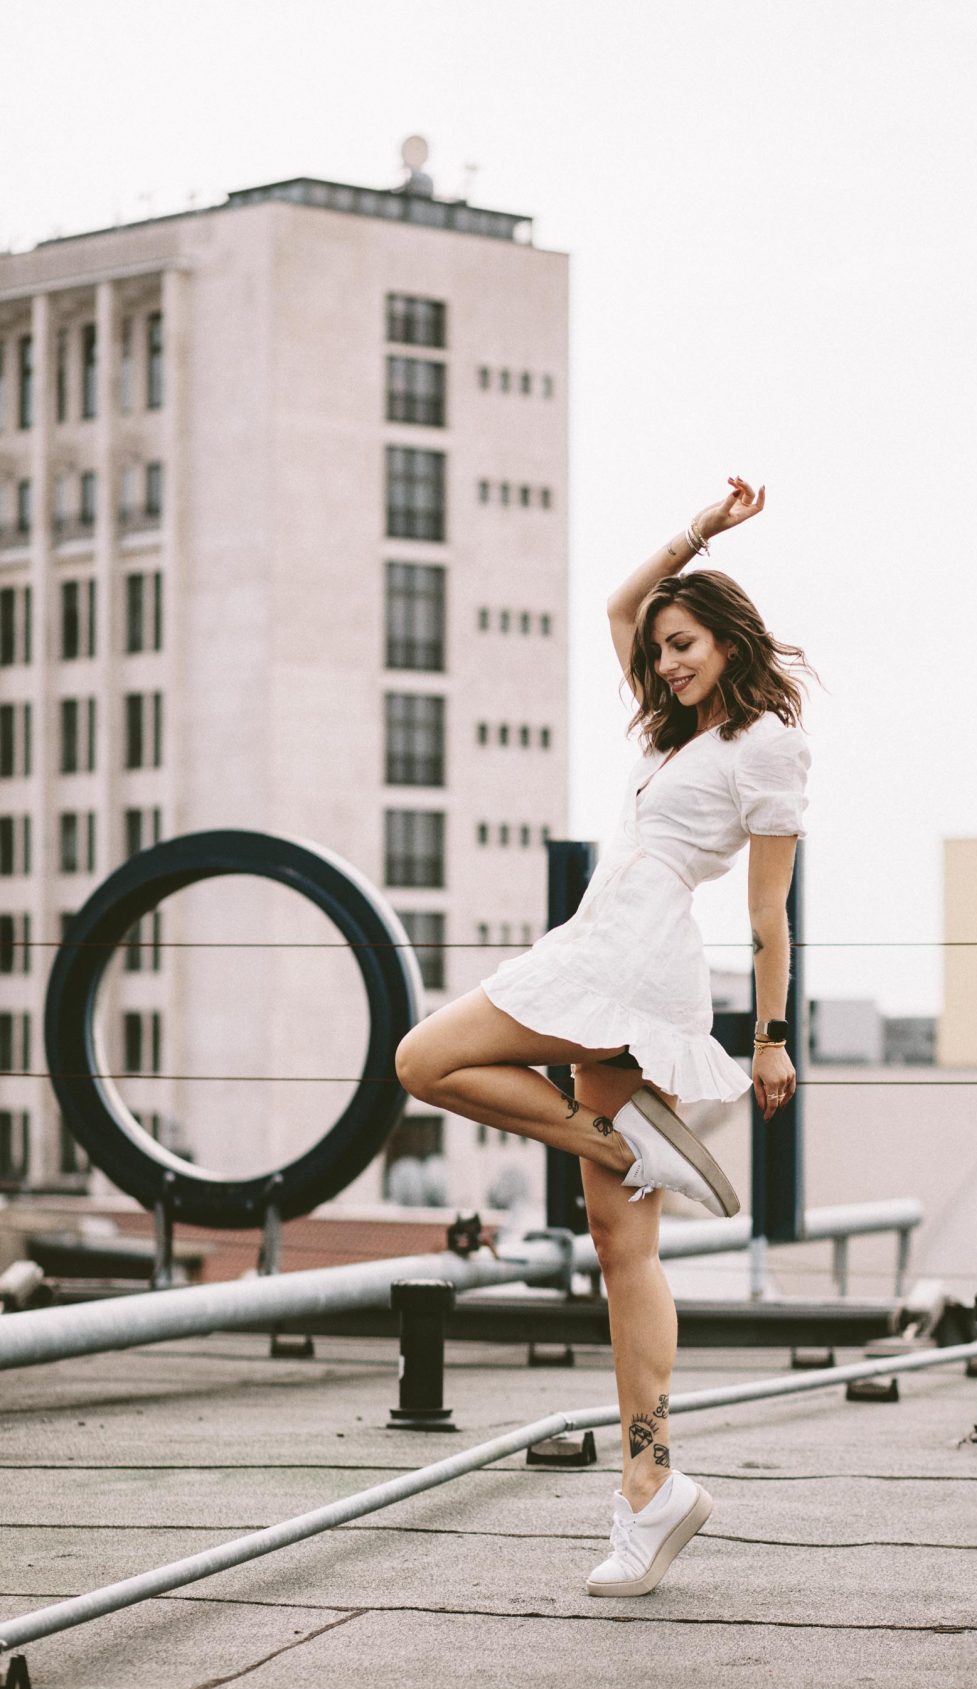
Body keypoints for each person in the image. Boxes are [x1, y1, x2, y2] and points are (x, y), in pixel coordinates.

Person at [394, 474, 813, 1596]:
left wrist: (771, 1039)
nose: (666, 659)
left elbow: (766, 913)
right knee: (625, 1249)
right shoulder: (676, 732)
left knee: (423, 1058)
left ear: (727, 639)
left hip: (630, 952)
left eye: (686, 643)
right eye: (664, 647)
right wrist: (697, 533)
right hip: (608, 939)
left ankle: (621, 1137)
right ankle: (650, 1490)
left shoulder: (763, 745)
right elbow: (617, 608)